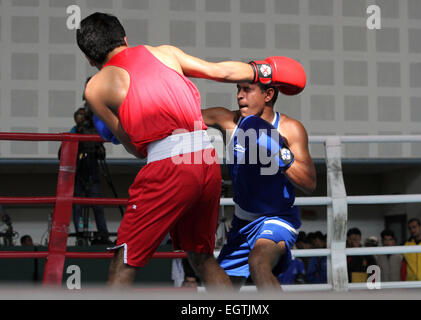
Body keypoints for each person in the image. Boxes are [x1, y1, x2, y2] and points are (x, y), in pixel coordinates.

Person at [76, 12, 304, 289]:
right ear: (124, 38)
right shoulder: (165, 53)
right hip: (205, 159)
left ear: (89, 58)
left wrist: (115, 128)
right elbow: (220, 72)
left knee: (124, 259)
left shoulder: (95, 88)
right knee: (202, 258)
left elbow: (135, 147)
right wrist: (264, 71)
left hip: (169, 165)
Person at [201, 77, 315, 290]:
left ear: (268, 95)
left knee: (258, 263)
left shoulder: (290, 129)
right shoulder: (228, 121)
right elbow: (183, 117)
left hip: (277, 218)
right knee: (221, 288)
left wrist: (278, 150)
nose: (239, 95)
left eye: (247, 90)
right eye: (238, 89)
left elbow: (309, 182)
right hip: (242, 222)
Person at [68, 106, 111, 245]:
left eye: (84, 115)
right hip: (79, 171)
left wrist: (98, 147)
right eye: (79, 115)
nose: (82, 118)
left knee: (97, 205)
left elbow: (102, 153)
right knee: (78, 206)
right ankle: (80, 233)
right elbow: (64, 151)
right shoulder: (75, 130)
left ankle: (103, 234)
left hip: (92, 171)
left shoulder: (95, 131)